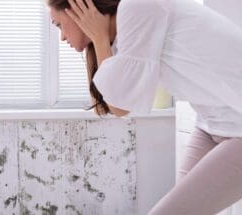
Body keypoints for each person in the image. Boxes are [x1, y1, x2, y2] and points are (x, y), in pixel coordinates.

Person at [46, 0, 242, 214]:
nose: (63, 37)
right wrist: (101, 40)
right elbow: (120, 108)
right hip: (213, 123)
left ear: (77, 10)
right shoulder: (121, 40)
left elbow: (121, 104)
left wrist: (100, 38)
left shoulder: (137, 6)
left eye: (58, 25)